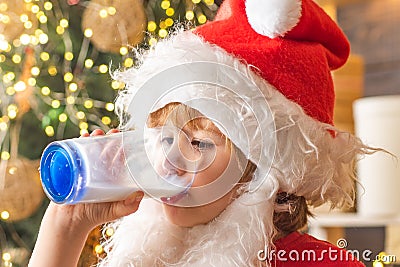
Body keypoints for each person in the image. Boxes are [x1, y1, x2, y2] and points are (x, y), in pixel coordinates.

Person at [29, 0, 373, 266]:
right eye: (164, 138)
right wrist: (66, 226)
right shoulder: (150, 255)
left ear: (262, 168)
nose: (168, 163)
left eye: (199, 143)